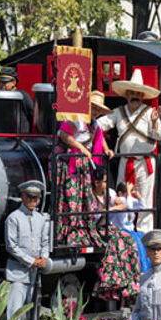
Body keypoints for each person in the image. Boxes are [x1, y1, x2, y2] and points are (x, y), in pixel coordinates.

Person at [97, 69, 161, 232]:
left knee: (145, 200)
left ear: (142, 96)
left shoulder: (150, 113)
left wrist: (155, 123)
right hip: (124, 161)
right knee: (122, 198)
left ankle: (144, 234)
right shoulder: (119, 112)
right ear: (126, 95)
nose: (135, 96)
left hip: (145, 163)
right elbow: (100, 124)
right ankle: (122, 231)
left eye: (138, 93)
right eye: (132, 93)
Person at [53, 91, 114, 246]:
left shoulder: (94, 124)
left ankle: (83, 228)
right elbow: (64, 136)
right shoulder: (76, 118)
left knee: (84, 197)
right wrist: (81, 148)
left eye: (99, 109)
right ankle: (68, 230)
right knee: (70, 196)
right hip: (69, 163)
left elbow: (98, 137)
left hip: (83, 163)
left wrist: (106, 150)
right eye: (93, 107)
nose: (96, 112)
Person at [5, 180, 49, 320]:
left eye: (36, 198)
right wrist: (32, 261)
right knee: (14, 313)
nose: (33, 201)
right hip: (18, 273)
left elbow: (45, 243)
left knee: (35, 314)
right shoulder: (13, 218)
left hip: (34, 275)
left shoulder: (41, 219)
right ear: (22, 196)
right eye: (30, 197)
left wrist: (43, 258)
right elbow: (12, 246)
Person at [90, 167, 141, 304]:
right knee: (115, 241)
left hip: (107, 227)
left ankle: (129, 281)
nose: (107, 185)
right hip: (94, 229)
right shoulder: (89, 196)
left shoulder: (110, 193)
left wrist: (109, 209)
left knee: (128, 238)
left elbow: (122, 205)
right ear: (97, 182)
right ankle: (111, 280)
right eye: (105, 181)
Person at [112, 182, 151, 273]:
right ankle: (143, 269)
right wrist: (129, 193)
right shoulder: (119, 201)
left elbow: (143, 207)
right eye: (126, 191)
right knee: (136, 240)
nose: (128, 193)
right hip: (120, 230)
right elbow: (128, 206)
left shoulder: (129, 199)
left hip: (130, 231)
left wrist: (137, 195)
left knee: (144, 238)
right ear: (120, 193)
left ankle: (149, 268)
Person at [0, 67, 34, 133]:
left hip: (20, 135)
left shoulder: (23, 95)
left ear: (13, 82)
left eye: (5, 82)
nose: (2, 85)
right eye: (1, 82)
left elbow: (32, 114)